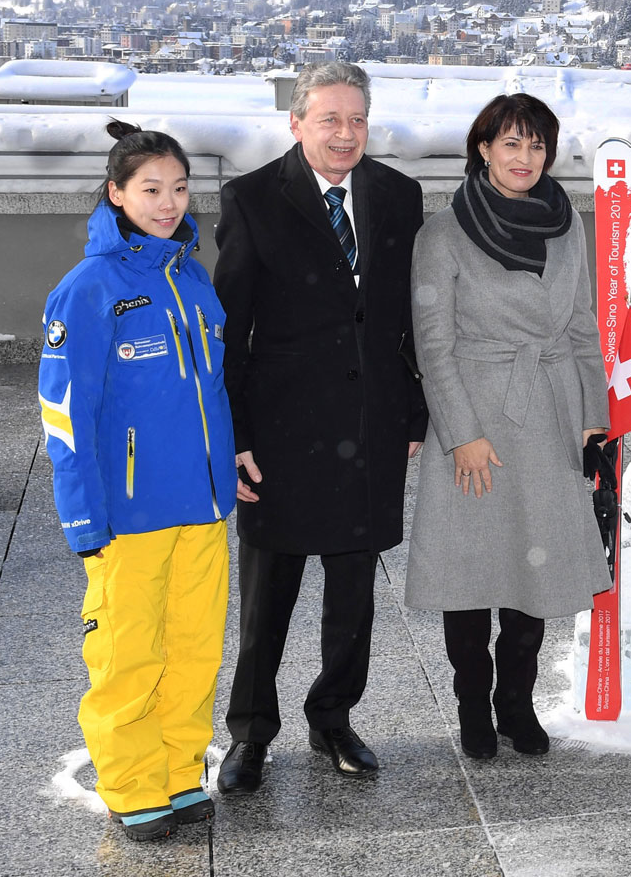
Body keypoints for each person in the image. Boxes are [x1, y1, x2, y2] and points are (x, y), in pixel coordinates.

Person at [212, 62, 428, 789]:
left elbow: (408, 317)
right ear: (297, 122)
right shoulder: (251, 200)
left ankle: (333, 717)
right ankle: (250, 733)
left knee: (354, 593)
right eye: (329, 118)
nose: (345, 133)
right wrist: (235, 436)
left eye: (357, 119)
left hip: (371, 425)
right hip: (281, 431)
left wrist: (414, 408)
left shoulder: (398, 195)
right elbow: (230, 331)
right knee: (267, 595)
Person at [39, 122, 236, 841]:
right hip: (128, 515)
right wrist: (82, 517)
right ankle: (131, 785)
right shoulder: (87, 290)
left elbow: (212, 392)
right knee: (128, 656)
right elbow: (65, 415)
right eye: (151, 189)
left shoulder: (191, 277)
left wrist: (228, 465)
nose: (168, 203)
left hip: (202, 507)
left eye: (179, 188)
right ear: (116, 193)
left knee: (193, 651)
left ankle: (180, 772)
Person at [406, 94, 610, 759]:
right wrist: (462, 434)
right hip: (476, 414)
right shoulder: (444, 233)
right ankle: (472, 702)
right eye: (512, 143)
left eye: (537, 145)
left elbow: (581, 327)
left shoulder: (566, 226)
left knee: (536, 567)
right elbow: (433, 345)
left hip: (549, 414)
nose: (525, 157)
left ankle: (515, 702)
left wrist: (593, 420)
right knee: (471, 570)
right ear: (484, 149)